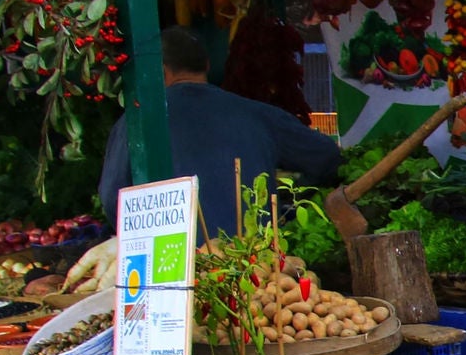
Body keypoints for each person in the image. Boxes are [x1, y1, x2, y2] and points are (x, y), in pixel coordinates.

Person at [99, 28, 342, 239]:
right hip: (257, 267)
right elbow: (328, 157)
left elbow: (113, 200)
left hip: (174, 267)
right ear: (207, 65)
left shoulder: (134, 124)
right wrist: (285, 200)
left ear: (160, 73)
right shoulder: (258, 115)